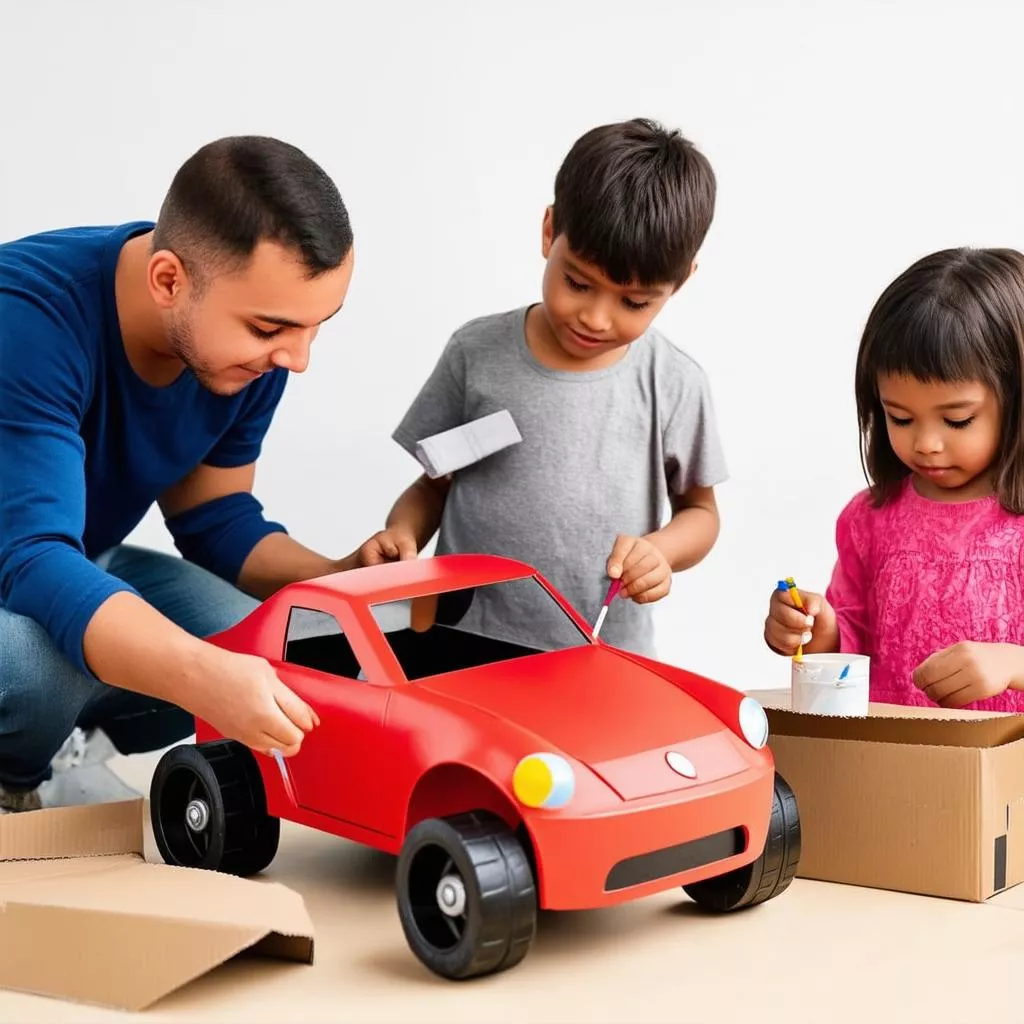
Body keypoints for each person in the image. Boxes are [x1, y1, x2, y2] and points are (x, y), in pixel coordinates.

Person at [0, 135, 363, 813]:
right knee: (39, 666)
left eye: (318, 328)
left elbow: (216, 520)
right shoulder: (26, 319)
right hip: (27, 560)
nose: (297, 357)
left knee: (256, 637)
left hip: (67, 556)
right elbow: (33, 559)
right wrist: (201, 679)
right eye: (271, 328)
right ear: (168, 280)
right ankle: (13, 785)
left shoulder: (248, 353)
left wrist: (341, 579)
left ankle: (61, 743)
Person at [355, 118, 727, 657]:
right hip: (460, 642)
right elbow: (434, 485)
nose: (596, 318)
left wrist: (661, 552)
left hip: (602, 654)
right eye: (578, 283)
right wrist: (402, 533)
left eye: (634, 302)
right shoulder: (476, 353)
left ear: (682, 281)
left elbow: (701, 512)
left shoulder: (673, 382)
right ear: (549, 230)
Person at [764, 247, 1024, 711]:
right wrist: (816, 629)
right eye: (900, 418)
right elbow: (853, 645)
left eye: (957, 420)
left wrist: (1012, 664)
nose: (926, 443)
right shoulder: (870, 520)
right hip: (898, 767)